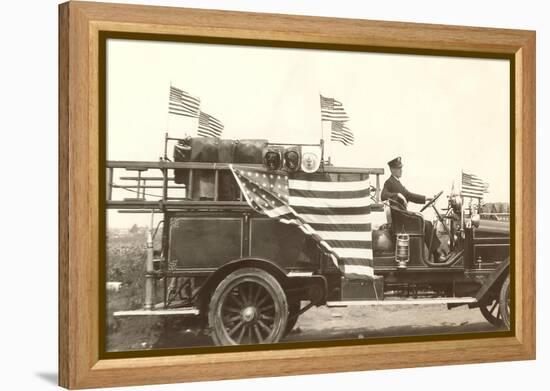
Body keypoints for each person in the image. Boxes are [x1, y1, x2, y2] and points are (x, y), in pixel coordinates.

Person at [381, 156, 443, 261]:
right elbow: (383, 195)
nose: (401, 170)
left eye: (401, 168)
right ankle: (436, 255)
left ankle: (436, 254)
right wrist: (397, 195)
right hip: (402, 222)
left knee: (427, 223)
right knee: (426, 224)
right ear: (392, 170)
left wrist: (426, 198)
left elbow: (409, 195)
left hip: (403, 219)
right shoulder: (389, 182)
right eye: (398, 168)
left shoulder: (397, 182)